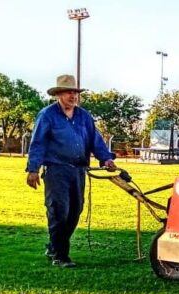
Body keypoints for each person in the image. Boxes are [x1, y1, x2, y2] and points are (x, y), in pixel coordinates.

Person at [25, 74, 116, 268]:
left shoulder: (84, 116)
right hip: (56, 170)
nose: (72, 96)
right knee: (59, 211)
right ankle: (60, 256)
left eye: (74, 92)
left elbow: (95, 140)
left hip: (78, 171)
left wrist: (106, 158)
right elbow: (38, 143)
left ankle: (54, 246)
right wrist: (33, 169)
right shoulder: (47, 115)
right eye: (68, 92)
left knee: (75, 211)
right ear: (58, 94)